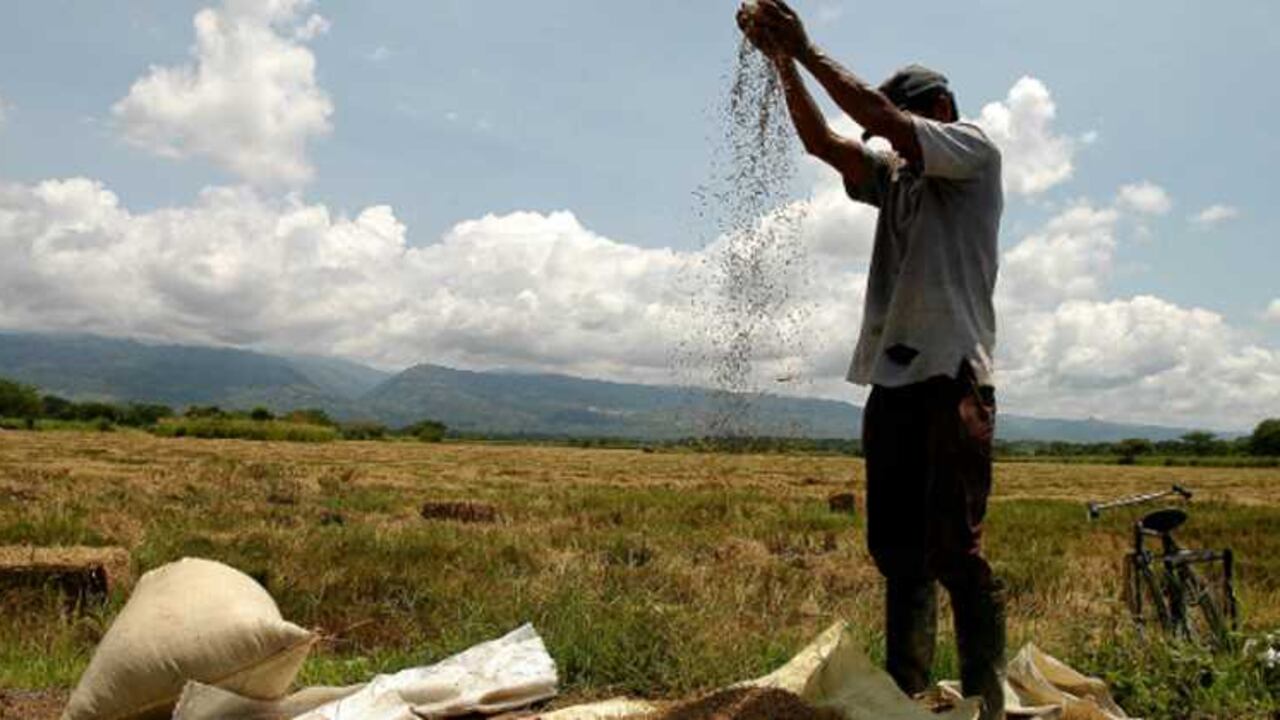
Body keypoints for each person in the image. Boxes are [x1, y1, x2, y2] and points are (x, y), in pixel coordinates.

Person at [738, 2, 1006, 718]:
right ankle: (906, 697)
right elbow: (823, 142)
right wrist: (782, 62)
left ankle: (987, 703)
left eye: (897, 126)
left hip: (952, 376)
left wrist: (806, 45)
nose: (887, 141)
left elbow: (878, 118)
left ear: (937, 110)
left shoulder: (972, 152)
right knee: (898, 552)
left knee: (956, 551)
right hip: (894, 382)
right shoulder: (898, 181)